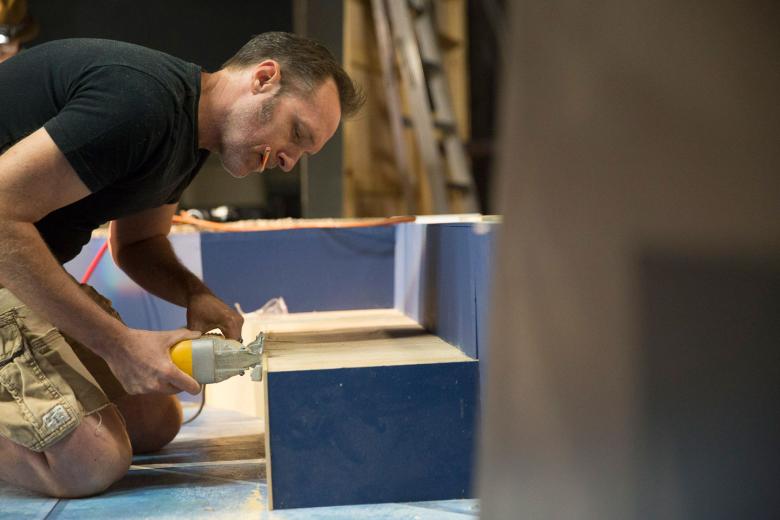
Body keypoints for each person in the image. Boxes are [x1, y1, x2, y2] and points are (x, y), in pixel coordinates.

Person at [0, 32, 363, 497]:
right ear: (264, 79)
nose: (290, 162)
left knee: (156, 421)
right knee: (89, 462)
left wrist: (196, 295)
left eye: (304, 154)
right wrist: (119, 345)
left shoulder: (188, 137)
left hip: (11, 263)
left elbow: (138, 243)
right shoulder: (138, 104)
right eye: (297, 133)